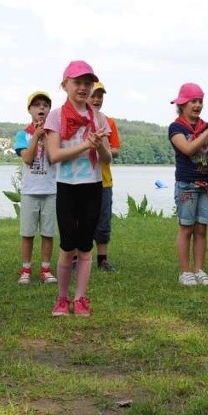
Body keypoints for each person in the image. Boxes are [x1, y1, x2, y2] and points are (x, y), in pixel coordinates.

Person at [44, 61, 112, 317]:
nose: (83, 88)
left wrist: (99, 146)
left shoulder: (98, 117)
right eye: (78, 83)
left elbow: (107, 159)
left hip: (93, 186)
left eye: (88, 83)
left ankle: (81, 298)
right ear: (65, 85)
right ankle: (62, 298)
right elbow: (54, 155)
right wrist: (85, 145)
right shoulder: (56, 116)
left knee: (85, 246)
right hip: (66, 187)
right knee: (67, 245)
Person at [168, 83, 208, 286]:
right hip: (187, 184)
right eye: (192, 101)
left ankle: (199, 270)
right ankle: (185, 271)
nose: (197, 105)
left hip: (207, 183)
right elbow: (187, 149)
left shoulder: (206, 126)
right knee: (186, 228)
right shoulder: (176, 127)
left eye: (200, 101)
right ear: (182, 104)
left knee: (202, 228)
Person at [14, 91, 58, 285]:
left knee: (48, 232)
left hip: (51, 190)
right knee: (28, 232)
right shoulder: (22, 134)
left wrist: (46, 136)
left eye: (45, 105)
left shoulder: (55, 134)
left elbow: (52, 157)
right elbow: (28, 158)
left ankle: (46, 269)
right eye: (37, 105)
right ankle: (26, 269)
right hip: (30, 191)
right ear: (29, 110)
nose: (41, 108)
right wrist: (35, 137)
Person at [90, 81, 120, 272]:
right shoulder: (76, 120)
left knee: (103, 220)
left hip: (104, 179)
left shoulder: (109, 122)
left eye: (100, 96)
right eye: (93, 95)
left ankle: (102, 259)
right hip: (81, 179)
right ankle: (76, 259)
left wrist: (104, 147)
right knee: (79, 220)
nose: (96, 99)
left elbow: (115, 150)